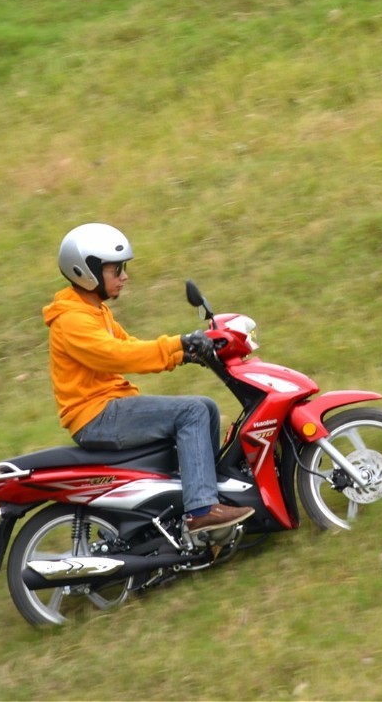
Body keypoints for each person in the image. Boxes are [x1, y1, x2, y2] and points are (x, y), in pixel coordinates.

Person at [43, 222, 252, 534]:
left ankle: (205, 496)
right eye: (116, 269)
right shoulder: (72, 320)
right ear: (86, 271)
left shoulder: (93, 310)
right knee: (192, 412)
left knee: (206, 407)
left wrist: (183, 355)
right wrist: (178, 342)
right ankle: (201, 510)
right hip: (96, 416)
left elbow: (129, 345)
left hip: (108, 408)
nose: (124, 276)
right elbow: (118, 355)